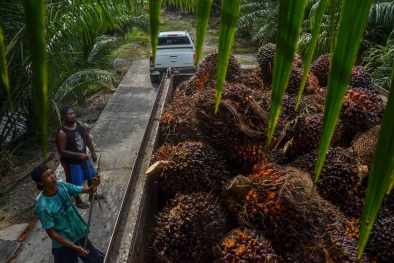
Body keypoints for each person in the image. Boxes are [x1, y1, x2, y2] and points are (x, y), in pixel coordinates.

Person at [31, 164, 105, 263]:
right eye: (47, 176)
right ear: (40, 183)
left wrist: (94, 185)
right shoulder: (43, 207)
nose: (52, 176)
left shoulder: (62, 186)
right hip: (63, 244)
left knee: (96, 260)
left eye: (52, 172)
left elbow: (88, 190)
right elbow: (52, 234)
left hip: (78, 233)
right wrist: (75, 247)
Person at [56, 106, 104, 209]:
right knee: (75, 183)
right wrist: (78, 155)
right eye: (69, 114)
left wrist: (93, 152)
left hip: (84, 160)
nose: (72, 115)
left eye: (73, 113)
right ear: (63, 117)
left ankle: (92, 195)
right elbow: (61, 151)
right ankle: (78, 200)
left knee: (92, 176)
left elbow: (87, 139)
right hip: (72, 163)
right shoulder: (62, 133)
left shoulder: (80, 124)